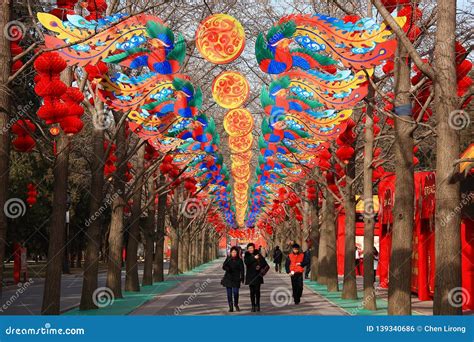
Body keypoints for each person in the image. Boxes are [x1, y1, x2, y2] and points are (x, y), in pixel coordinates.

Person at [244, 243, 269, 312]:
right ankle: (253, 306)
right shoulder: (246, 255)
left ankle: (258, 305)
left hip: (257, 276)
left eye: (251, 248)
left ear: (254, 248)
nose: (250, 249)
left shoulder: (258, 254)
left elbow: (265, 264)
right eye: (249, 248)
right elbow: (247, 262)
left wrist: (259, 266)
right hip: (250, 276)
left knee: (257, 291)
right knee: (252, 292)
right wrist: (254, 258)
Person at [222, 246, 245, 312]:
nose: (234, 253)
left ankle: (236, 304)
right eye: (232, 252)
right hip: (228, 278)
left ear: (237, 253)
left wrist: (242, 277)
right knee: (229, 294)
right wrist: (227, 268)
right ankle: (230, 306)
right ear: (231, 253)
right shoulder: (228, 259)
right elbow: (223, 266)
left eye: (235, 252)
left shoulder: (240, 260)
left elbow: (242, 270)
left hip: (236, 278)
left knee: (236, 292)